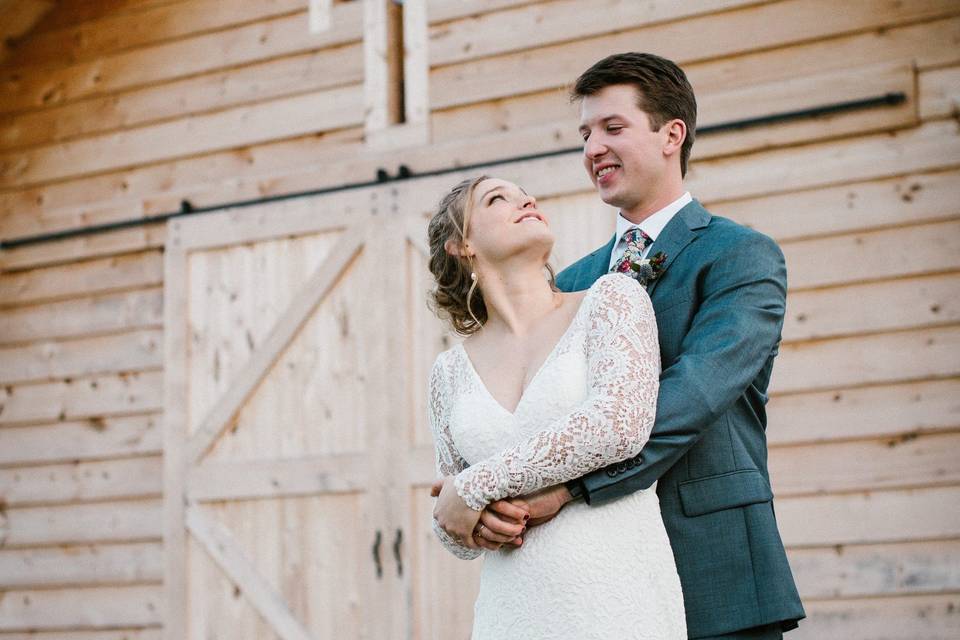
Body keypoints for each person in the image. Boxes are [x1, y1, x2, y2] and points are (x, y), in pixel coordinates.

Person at [462, 52, 806, 639]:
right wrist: (471, 501)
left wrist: (569, 484)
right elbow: (533, 412)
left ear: (673, 134)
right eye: (586, 133)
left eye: (613, 128)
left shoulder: (739, 255)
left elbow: (695, 393)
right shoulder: (570, 283)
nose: (593, 147)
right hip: (590, 578)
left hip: (712, 564)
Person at [426, 174, 687, 638]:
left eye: (525, 192)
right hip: (511, 611)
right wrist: (477, 523)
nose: (526, 199)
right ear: (460, 244)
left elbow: (619, 424)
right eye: (496, 199)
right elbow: (456, 527)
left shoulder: (611, 299)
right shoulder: (448, 373)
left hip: (616, 599)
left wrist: (475, 484)